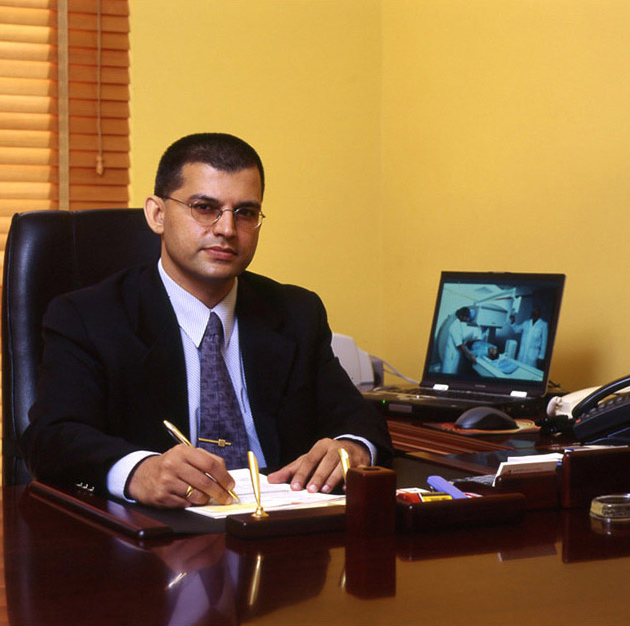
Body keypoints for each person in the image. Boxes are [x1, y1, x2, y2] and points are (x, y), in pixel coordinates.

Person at [22, 132, 393, 509]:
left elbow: (359, 419)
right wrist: (138, 471)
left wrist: (352, 448)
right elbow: (51, 438)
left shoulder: (295, 312)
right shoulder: (88, 316)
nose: (227, 229)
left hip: (281, 521)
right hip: (160, 529)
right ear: (157, 214)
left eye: (245, 213)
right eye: (204, 207)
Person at [441, 307, 480, 374]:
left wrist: (469, 341)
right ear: (461, 316)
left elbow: (459, 339)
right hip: (452, 356)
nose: (467, 319)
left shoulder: (458, 324)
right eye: (466, 317)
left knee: (452, 372)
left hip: (454, 355)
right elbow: (459, 345)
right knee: (448, 372)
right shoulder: (455, 326)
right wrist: (470, 355)